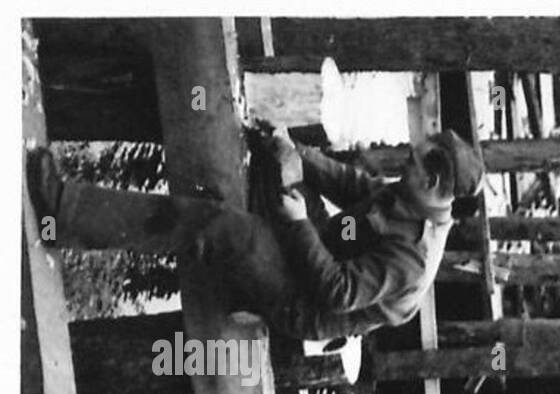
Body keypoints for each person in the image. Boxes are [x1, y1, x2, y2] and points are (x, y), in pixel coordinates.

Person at [25, 126, 484, 341]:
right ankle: (243, 268)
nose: (406, 161)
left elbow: (338, 292)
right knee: (269, 160)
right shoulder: (411, 194)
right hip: (317, 251)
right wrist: (292, 151)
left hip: (304, 302)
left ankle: (63, 211)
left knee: (225, 228)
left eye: (414, 163)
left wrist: (299, 222)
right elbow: (354, 186)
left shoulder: (414, 259)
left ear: (434, 184)